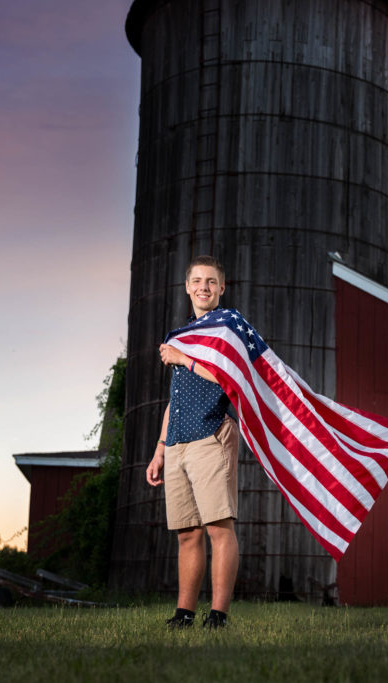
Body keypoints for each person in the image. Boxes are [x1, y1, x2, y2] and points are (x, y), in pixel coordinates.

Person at [145, 255, 239, 629]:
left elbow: (228, 379)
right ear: (187, 287)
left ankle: (218, 616)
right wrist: (159, 450)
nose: (204, 287)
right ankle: (184, 614)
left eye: (211, 281)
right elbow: (177, 397)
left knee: (218, 527)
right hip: (179, 441)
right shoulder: (181, 334)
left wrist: (183, 358)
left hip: (212, 434)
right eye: (197, 280)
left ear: (221, 288)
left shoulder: (227, 328)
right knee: (187, 532)